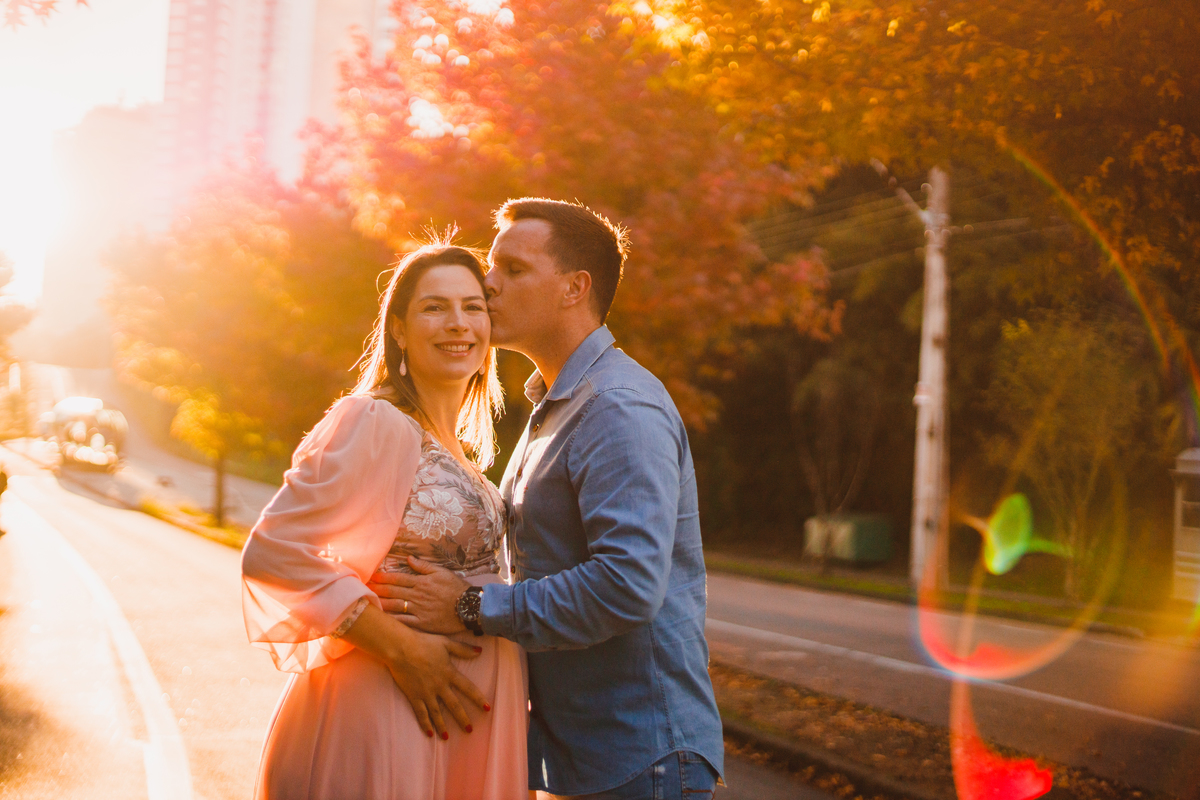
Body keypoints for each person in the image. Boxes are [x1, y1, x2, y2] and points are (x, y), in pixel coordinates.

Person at [372, 199, 725, 799]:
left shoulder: (617, 408)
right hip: (586, 755)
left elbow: (627, 584)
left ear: (573, 288)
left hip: (641, 755)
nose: (488, 283)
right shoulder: (556, 407)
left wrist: (471, 607)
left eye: (512, 269)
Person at [241, 242, 529, 800]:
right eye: (434, 307)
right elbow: (274, 553)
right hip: (389, 712)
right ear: (398, 329)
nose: (458, 323)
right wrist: (401, 647)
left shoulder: (461, 452)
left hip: (458, 722)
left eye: (473, 307)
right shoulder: (376, 420)